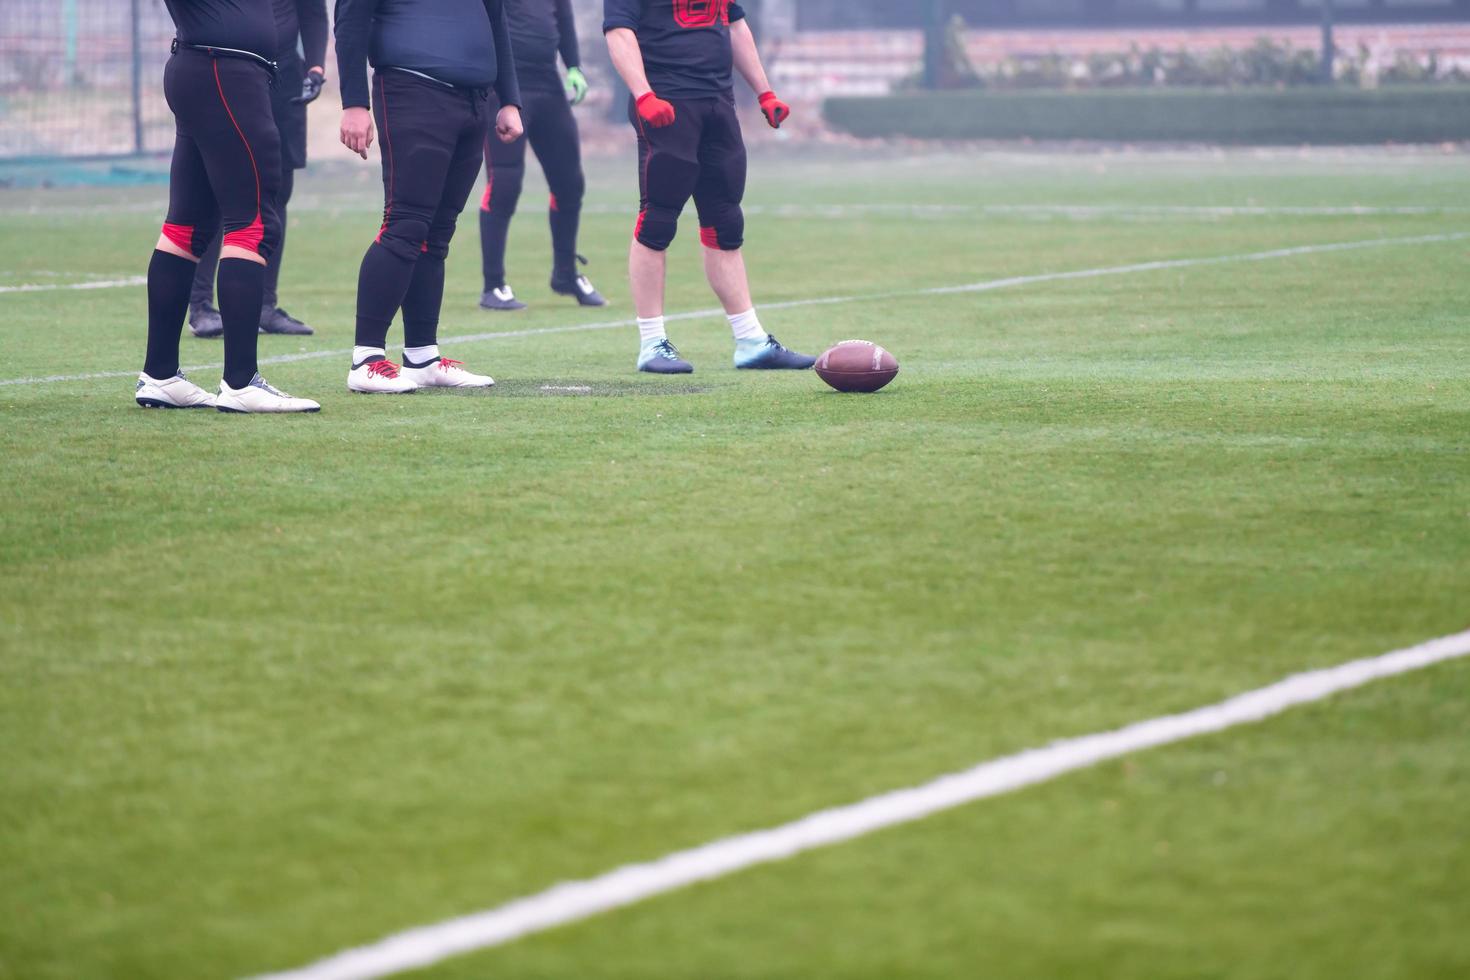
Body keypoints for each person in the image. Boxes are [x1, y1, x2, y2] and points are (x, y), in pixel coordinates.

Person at [603, 0, 814, 374]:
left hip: (718, 101)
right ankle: (651, 343)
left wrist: (764, 91)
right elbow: (619, 32)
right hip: (666, 100)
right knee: (658, 218)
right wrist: (643, 94)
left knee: (726, 221)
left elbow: (734, 24)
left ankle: (751, 341)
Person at [137, 0, 320, 413]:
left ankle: (160, 374)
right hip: (225, 70)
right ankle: (241, 381)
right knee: (253, 224)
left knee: (186, 228)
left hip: (206, 66)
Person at [335, 0, 524, 394]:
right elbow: (351, 18)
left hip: (474, 100)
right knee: (405, 224)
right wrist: (354, 102)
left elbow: (495, 19)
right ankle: (365, 358)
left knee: (437, 233)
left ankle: (422, 357)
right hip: (411, 90)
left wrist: (509, 99)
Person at [188, 0, 330, 339]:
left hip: (285, 78)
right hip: (232, 71)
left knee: (277, 189)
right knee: (220, 189)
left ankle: (264, 305)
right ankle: (201, 306)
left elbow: (312, 12)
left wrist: (315, 68)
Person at [478, 0, 607, 312]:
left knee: (570, 183)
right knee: (505, 183)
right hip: (504, 85)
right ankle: (493, 285)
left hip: (547, 82)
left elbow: (563, 15)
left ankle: (565, 274)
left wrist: (574, 66)